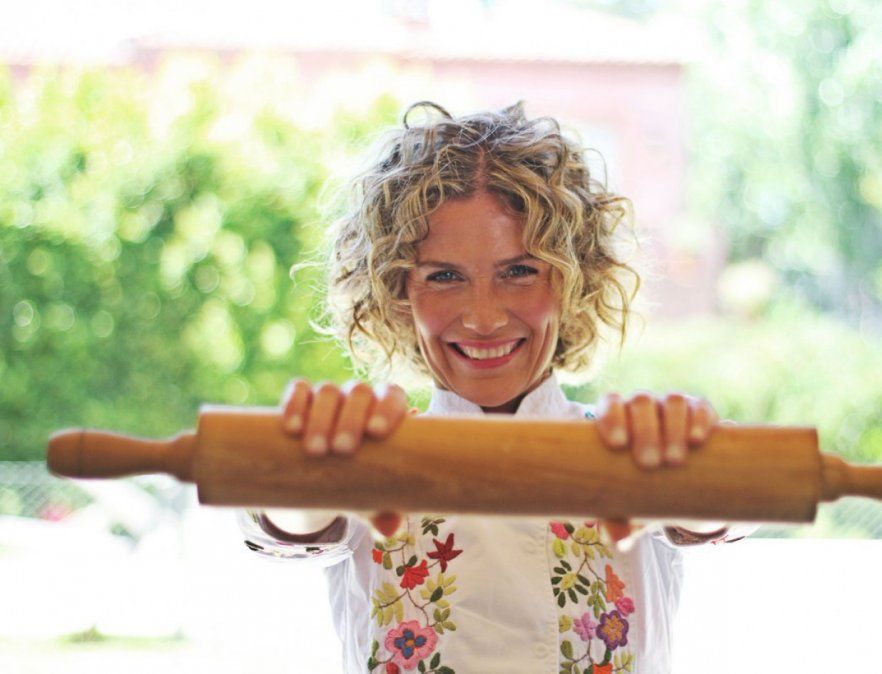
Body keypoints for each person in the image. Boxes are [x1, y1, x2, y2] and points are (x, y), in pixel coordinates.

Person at [236, 101, 756, 674]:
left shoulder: (629, 451)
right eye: (444, 276)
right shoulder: (369, 454)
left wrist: (695, 454)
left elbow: (728, 501)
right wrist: (311, 458)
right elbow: (288, 517)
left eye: (519, 271)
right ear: (396, 292)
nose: (483, 318)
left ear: (572, 279)